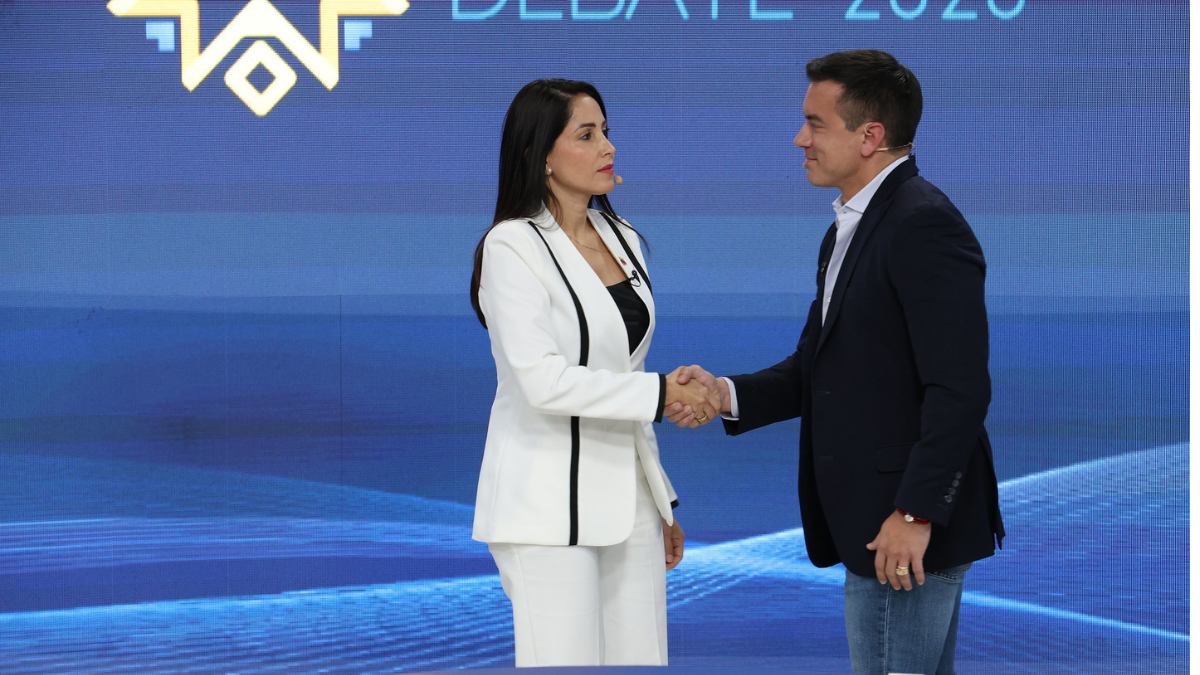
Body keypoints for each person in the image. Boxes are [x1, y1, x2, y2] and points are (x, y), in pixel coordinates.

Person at [667, 50, 1005, 675]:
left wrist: (914, 512)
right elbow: (817, 368)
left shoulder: (922, 224)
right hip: (882, 527)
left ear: (870, 136)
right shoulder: (851, 228)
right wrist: (724, 393)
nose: (800, 139)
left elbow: (959, 389)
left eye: (815, 124)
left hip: (900, 531)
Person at [469, 79, 720, 667]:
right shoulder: (511, 247)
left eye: (606, 131)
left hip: (628, 501)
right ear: (540, 156)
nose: (607, 146)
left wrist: (658, 500)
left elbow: (623, 374)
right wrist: (663, 393)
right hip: (544, 508)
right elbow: (543, 381)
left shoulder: (624, 237)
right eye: (587, 134)